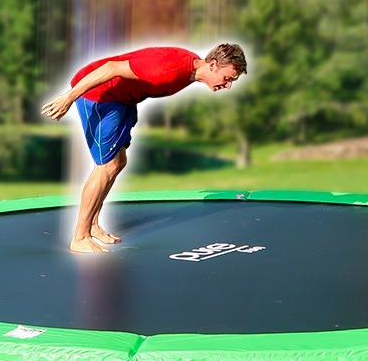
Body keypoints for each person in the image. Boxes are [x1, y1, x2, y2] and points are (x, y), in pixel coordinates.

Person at [40, 43, 247, 252]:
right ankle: (80, 237)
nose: (228, 85)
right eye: (228, 78)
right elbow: (111, 68)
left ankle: (92, 226)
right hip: (100, 94)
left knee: (119, 162)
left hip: (124, 99)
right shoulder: (167, 70)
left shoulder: (191, 68)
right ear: (213, 65)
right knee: (106, 167)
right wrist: (68, 97)